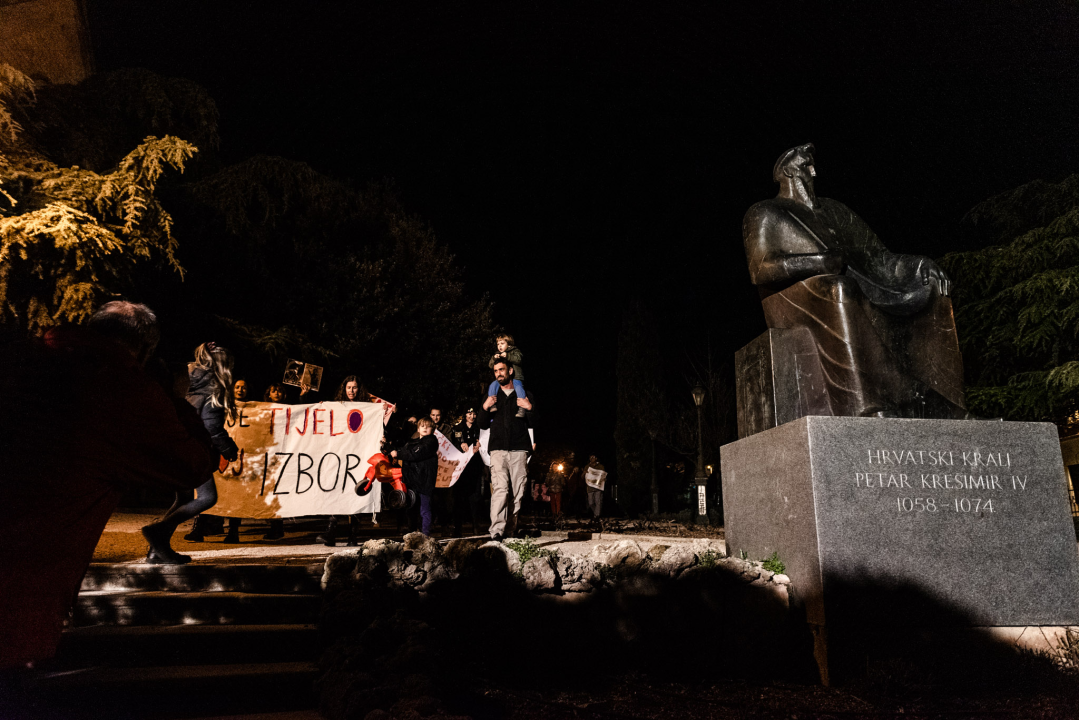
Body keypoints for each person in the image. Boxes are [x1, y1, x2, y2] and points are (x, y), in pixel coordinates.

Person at [0, 301, 217, 670]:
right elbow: (192, 464)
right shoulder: (124, 389)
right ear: (146, 350)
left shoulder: (23, 358)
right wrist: (172, 401)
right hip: (21, 586)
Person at [742, 143, 966, 419]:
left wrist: (920, 264)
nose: (813, 171)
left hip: (851, 286)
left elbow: (880, 259)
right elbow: (760, 269)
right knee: (840, 289)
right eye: (804, 166)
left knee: (934, 290)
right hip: (792, 298)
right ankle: (864, 403)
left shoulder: (836, 211)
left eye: (812, 165)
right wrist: (817, 262)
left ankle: (948, 408)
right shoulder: (765, 212)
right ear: (786, 171)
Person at [141, 342, 240, 563]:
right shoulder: (214, 388)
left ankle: (157, 551)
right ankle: (158, 531)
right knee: (207, 497)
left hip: (175, 443)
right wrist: (228, 448)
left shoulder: (185, 378)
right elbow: (211, 426)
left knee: (184, 497)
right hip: (194, 447)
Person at [477, 357, 534, 541]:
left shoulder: (524, 394)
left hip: (519, 449)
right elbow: (482, 424)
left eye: (501, 370)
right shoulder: (491, 396)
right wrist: (484, 408)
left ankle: (510, 530)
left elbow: (536, 422)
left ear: (510, 371)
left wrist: (530, 408)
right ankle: (496, 532)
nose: (498, 373)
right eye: (495, 371)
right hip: (498, 449)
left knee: (517, 493)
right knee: (500, 489)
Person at [316, 375, 372, 546]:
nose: (351, 391)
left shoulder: (368, 409)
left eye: (355, 387)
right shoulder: (337, 408)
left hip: (359, 458)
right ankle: (330, 532)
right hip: (340, 457)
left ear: (359, 389)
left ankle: (352, 537)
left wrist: (384, 413)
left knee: (357, 494)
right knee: (337, 493)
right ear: (344, 389)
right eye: (349, 387)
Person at [392, 417, 438, 536]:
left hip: (424, 482)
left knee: (424, 510)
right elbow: (404, 449)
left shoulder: (431, 441)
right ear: (418, 428)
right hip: (412, 481)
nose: (425, 428)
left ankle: (425, 535)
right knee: (411, 509)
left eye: (428, 426)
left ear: (432, 429)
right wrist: (388, 446)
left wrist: (398, 454)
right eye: (422, 426)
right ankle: (412, 534)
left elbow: (415, 453)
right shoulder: (413, 442)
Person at [487, 334, 528, 418]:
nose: (499, 346)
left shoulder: (514, 350)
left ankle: (522, 408)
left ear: (508, 344)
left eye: (502, 343)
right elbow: (490, 365)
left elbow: (519, 359)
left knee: (519, 388)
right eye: (498, 344)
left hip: (516, 377)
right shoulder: (498, 354)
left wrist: (508, 356)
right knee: (492, 385)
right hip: (503, 379)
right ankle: (492, 404)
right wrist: (494, 358)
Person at [584, 455, 606, 521]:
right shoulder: (587, 466)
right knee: (591, 503)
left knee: (598, 502)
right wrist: (584, 473)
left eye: (593, 457)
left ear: (596, 458)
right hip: (590, 488)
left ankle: (596, 516)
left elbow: (603, 476)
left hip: (597, 488)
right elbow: (582, 476)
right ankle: (596, 513)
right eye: (590, 457)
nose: (591, 458)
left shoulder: (600, 466)